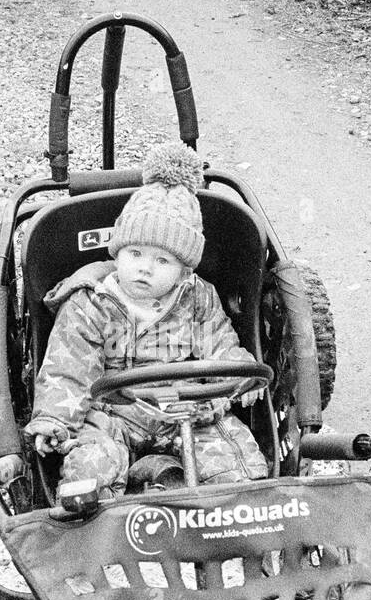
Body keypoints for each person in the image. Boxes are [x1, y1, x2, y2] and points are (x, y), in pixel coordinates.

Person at [24, 142, 268, 499]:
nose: (144, 268)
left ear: (185, 271)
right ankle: (91, 516)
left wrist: (240, 376)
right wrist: (55, 420)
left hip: (186, 410)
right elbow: (67, 369)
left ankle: (246, 506)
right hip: (113, 412)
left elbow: (222, 346)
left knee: (233, 457)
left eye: (162, 261)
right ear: (117, 252)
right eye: (135, 253)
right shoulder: (91, 301)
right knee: (90, 458)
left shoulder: (197, 297)